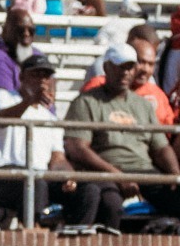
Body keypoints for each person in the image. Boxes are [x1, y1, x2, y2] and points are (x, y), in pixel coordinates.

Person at [65, 38, 179, 225]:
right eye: (120, 67)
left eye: (130, 67)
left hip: (144, 171)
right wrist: (116, 175)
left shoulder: (143, 105)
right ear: (106, 67)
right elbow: (77, 148)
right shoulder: (86, 102)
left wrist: (175, 174)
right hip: (104, 172)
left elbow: (161, 147)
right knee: (111, 204)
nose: (125, 72)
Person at [0, 52, 70, 227]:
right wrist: (29, 101)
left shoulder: (50, 118)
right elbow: (1, 120)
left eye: (46, 75)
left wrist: (69, 176)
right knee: (35, 183)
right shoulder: (2, 97)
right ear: (21, 77)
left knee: (88, 190)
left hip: (39, 176)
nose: (42, 80)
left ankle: (82, 234)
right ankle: (32, 230)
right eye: (36, 74)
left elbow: (58, 158)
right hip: (3, 173)